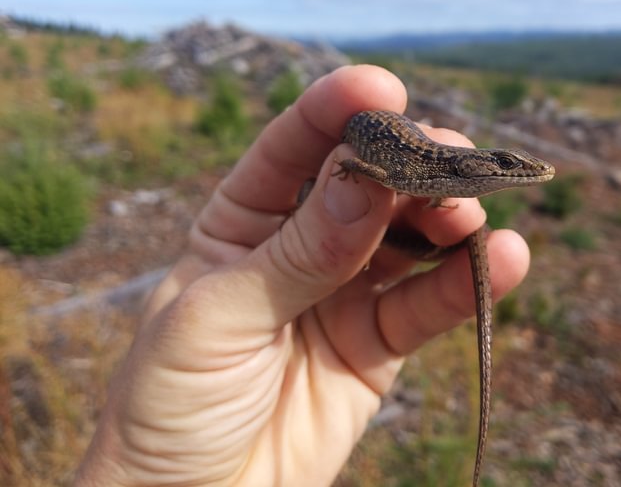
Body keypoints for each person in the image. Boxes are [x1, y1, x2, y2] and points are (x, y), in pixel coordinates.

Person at [75, 65, 531, 486]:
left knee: (464, 232)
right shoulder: (415, 165)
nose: (516, 173)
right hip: (364, 139)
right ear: (472, 165)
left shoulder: (438, 176)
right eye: (506, 165)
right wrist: (348, 179)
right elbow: (356, 164)